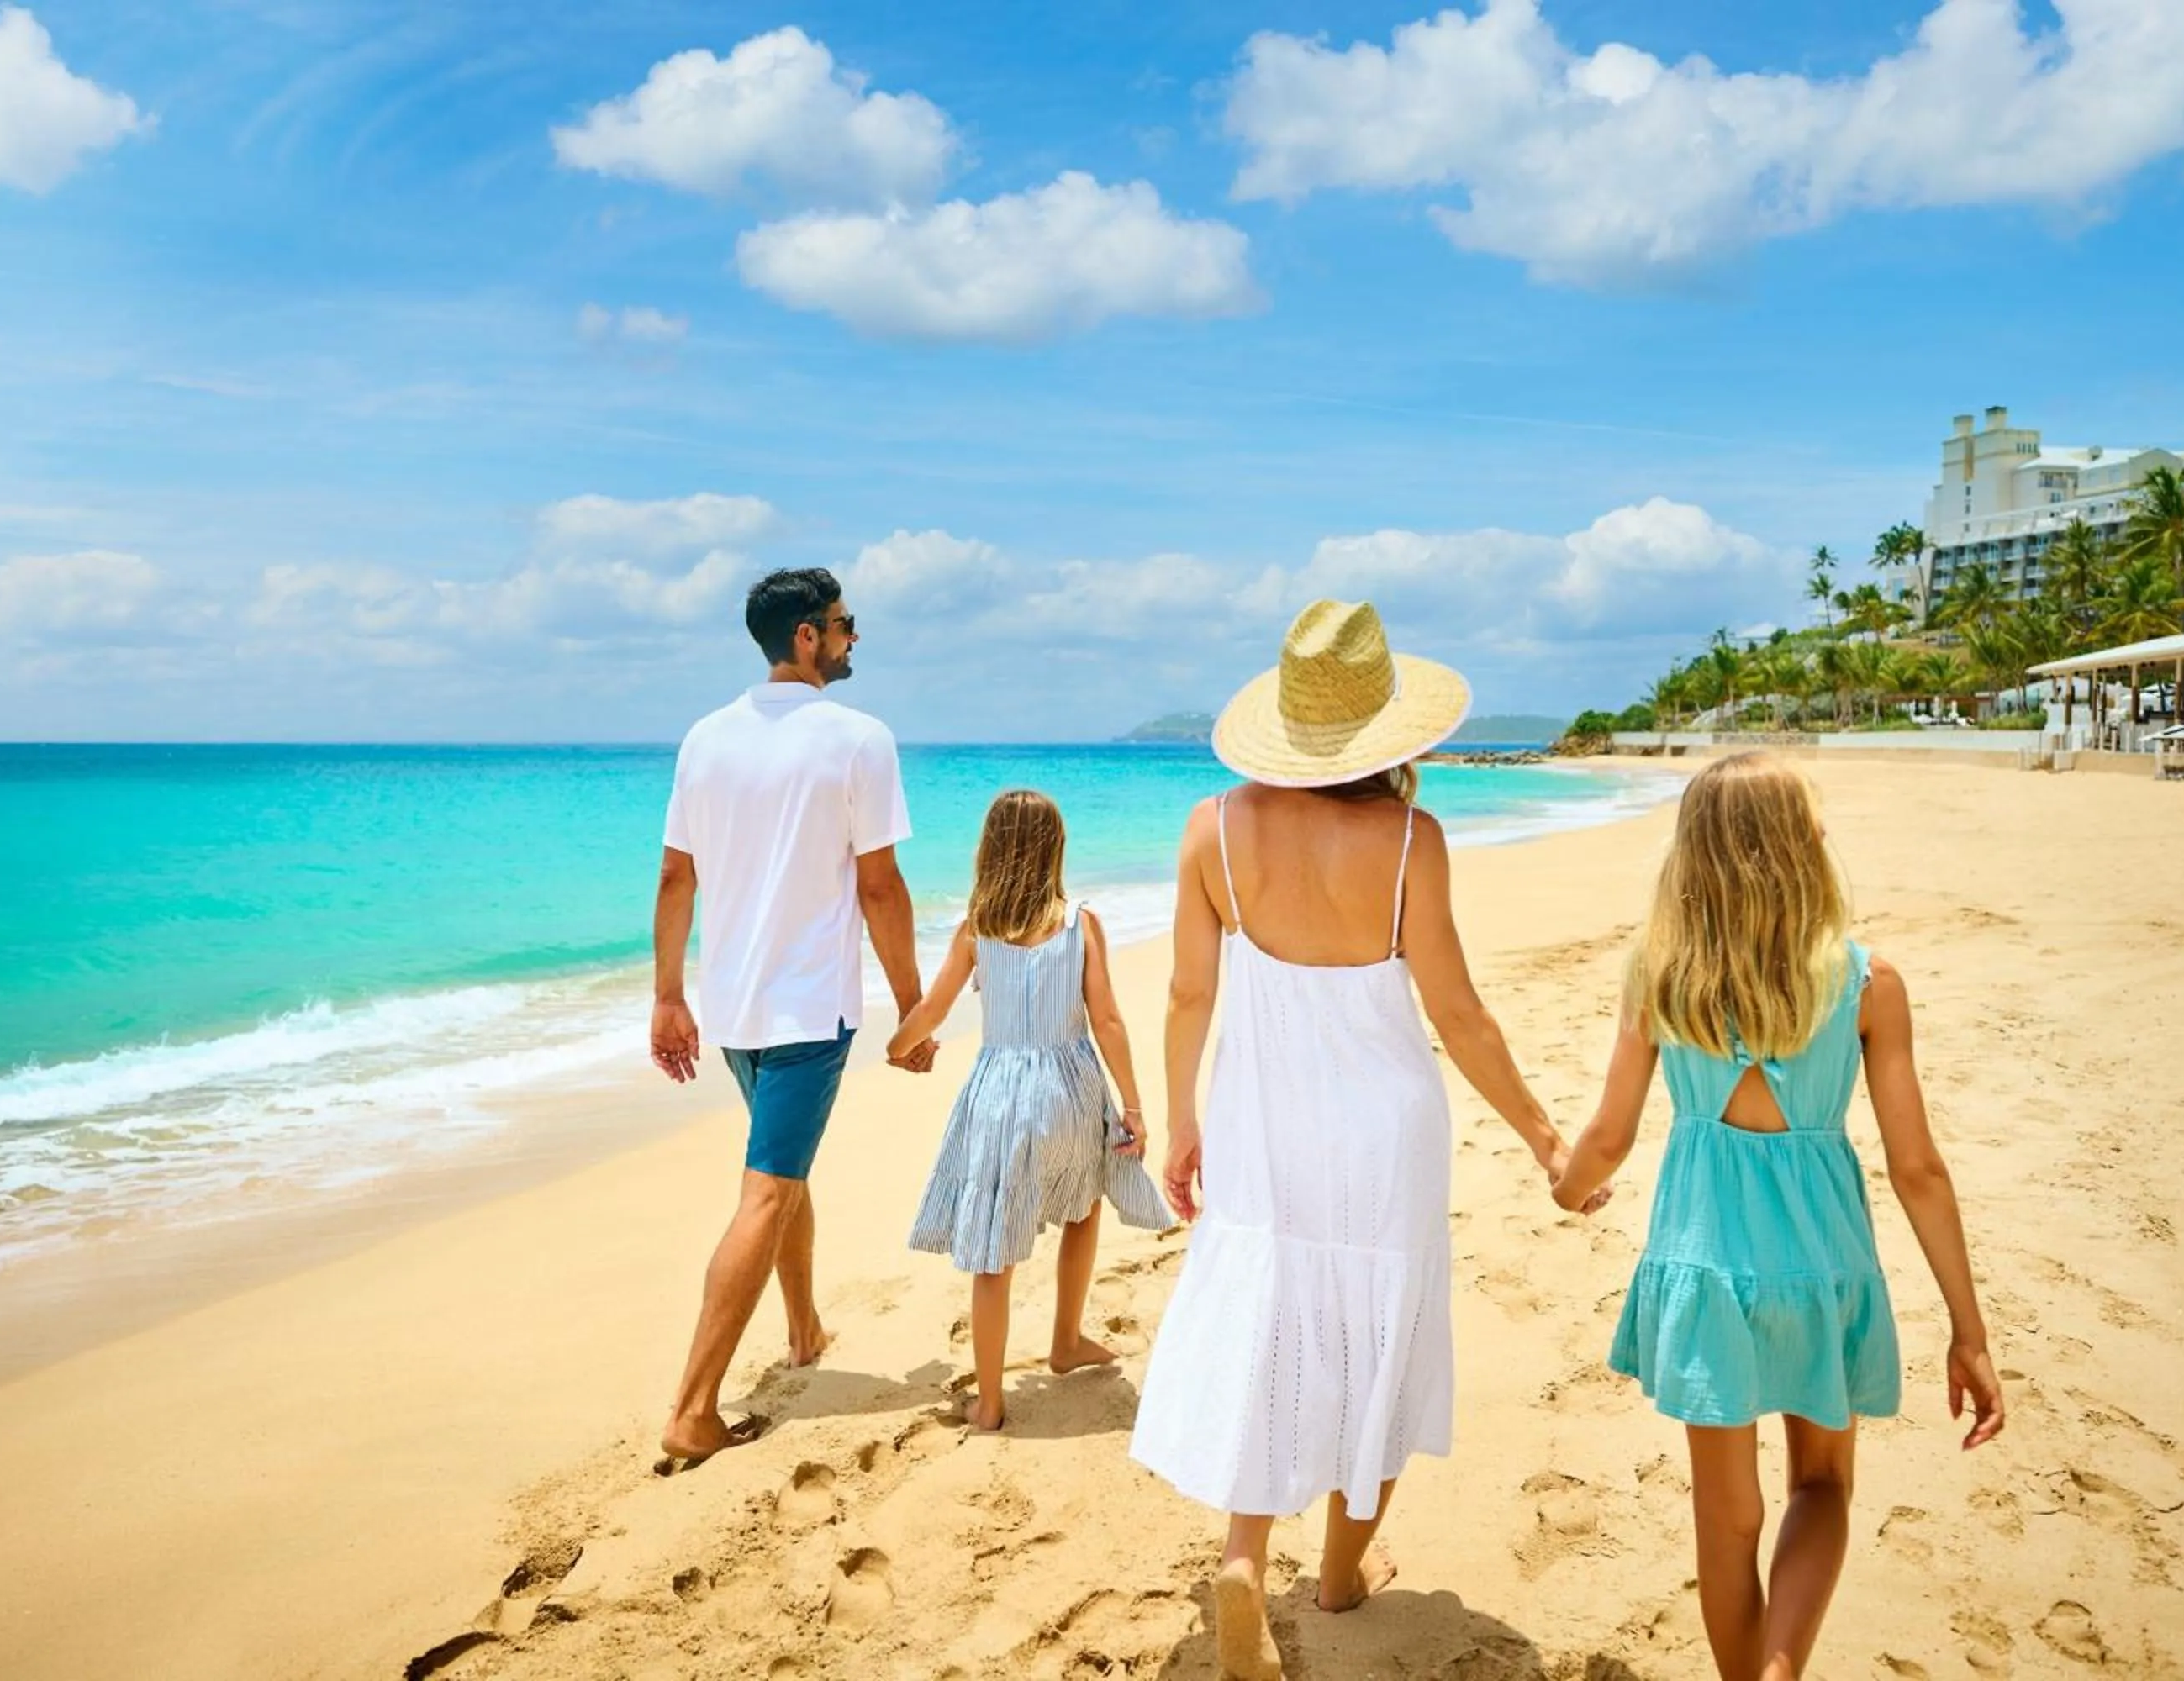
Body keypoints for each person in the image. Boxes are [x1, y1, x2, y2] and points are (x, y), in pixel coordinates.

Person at [1128, 599, 1584, 1681]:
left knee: (1272, 1327)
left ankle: (1247, 1553)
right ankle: (1336, 1579)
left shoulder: (1213, 830)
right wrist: (1543, 1135)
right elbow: (1459, 1012)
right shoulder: (1412, 840)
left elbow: (1190, 993)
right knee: (1374, 1338)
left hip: (1262, 1118)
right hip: (1384, 1131)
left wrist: (1182, 1120)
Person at [1549, 751, 2006, 1681]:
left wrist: (1566, 1184)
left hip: (1706, 1266)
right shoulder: (1868, 983)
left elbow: (1609, 1133)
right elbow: (1917, 1165)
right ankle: (1780, 1668)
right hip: (1824, 1265)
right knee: (1824, 1485)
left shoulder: (1660, 975)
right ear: (1795, 849)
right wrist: (1969, 1326)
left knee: (1728, 1520)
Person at [649, 567, 936, 1467]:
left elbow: (674, 875)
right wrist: (913, 1004)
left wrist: (668, 995)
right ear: (807, 636)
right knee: (767, 1189)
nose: (856, 637)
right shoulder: (858, 738)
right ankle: (694, 1407)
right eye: (847, 623)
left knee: (784, 1168)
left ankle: (806, 1330)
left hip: (734, 1006)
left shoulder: (705, 737)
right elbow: (880, 884)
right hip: (808, 1008)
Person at [890, 790, 1173, 1432]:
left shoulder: (975, 930)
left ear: (988, 851)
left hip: (1000, 1096)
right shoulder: (1079, 922)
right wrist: (1132, 1104)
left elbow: (933, 1011)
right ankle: (1067, 1341)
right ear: (1056, 849)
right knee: (1083, 1204)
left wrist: (898, 1046)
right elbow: (1106, 1019)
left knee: (995, 1250)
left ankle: (990, 1404)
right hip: (1071, 1088)